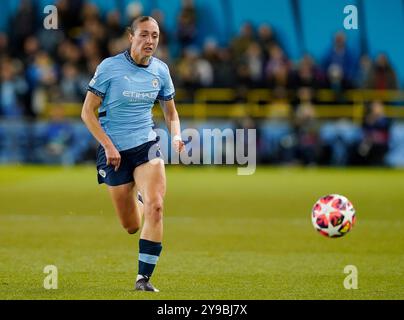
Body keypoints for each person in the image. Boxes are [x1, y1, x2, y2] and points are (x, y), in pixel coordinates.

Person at [81, 16, 184, 292]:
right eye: (144, 35)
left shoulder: (161, 71)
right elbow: (87, 112)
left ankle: (143, 279)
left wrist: (175, 135)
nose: (150, 41)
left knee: (157, 205)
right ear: (131, 36)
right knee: (130, 225)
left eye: (155, 36)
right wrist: (108, 145)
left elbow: (170, 112)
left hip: (146, 145)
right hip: (113, 150)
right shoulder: (109, 68)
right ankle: (137, 197)